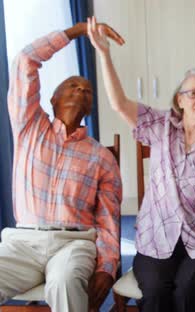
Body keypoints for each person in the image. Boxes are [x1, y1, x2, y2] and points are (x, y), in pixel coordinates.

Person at [88, 17, 195, 312]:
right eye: (193, 93)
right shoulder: (159, 126)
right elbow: (119, 103)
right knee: (157, 294)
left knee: (186, 295)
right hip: (156, 236)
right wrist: (104, 54)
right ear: (179, 100)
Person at [0, 22, 123, 312]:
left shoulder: (101, 157)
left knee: (65, 283)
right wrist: (79, 30)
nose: (81, 90)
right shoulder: (29, 127)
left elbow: (109, 220)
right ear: (52, 99)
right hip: (23, 242)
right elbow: (25, 60)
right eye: (72, 86)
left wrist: (107, 266)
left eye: (87, 90)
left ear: (90, 108)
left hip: (74, 243)